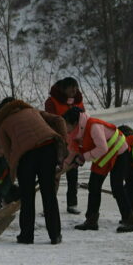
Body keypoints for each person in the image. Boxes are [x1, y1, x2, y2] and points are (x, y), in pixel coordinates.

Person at [0, 97, 67, 245]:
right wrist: (63, 145)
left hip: (26, 156)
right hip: (48, 148)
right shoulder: (32, 111)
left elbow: (9, 156)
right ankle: (55, 235)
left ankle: (26, 236)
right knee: (49, 194)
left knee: (27, 197)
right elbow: (59, 120)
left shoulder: (2, 126)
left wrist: (13, 180)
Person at [62, 107, 133, 233]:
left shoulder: (93, 126)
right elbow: (73, 151)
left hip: (119, 152)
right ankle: (91, 221)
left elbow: (102, 148)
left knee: (117, 187)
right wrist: (63, 167)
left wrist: (83, 157)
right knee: (94, 186)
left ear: (74, 123)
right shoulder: (75, 133)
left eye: (66, 124)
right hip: (104, 156)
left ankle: (129, 220)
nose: (65, 128)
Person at [44, 77, 85, 214]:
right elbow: (50, 121)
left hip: (75, 143)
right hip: (58, 143)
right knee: (54, 174)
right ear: (63, 88)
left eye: (76, 87)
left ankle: (72, 203)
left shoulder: (79, 102)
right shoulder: (51, 102)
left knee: (73, 173)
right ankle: (50, 205)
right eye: (71, 87)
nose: (74, 90)